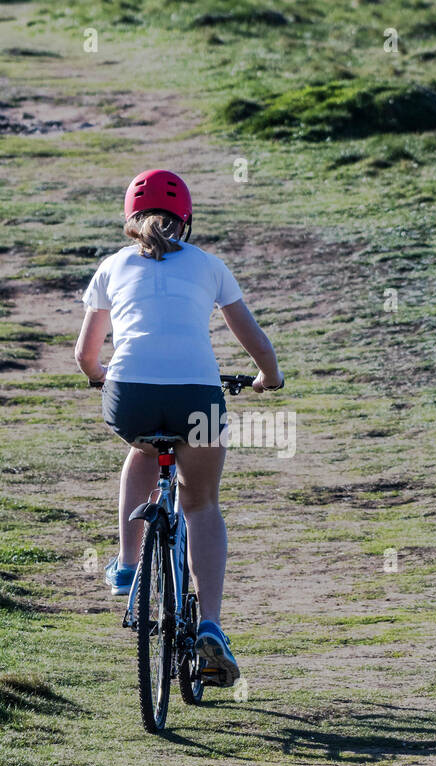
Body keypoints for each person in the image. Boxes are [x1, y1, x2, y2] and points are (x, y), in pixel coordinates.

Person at [74, 169, 283, 687]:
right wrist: (268, 377)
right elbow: (251, 335)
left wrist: (103, 378)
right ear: (186, 220)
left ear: (129, 217)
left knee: (143, 452)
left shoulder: (112, 266)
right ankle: (209, 624)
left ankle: (126, 564)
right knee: (202, 503)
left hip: (132, 396)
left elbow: (85, 354)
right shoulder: (210, 266)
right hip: (198, 394)